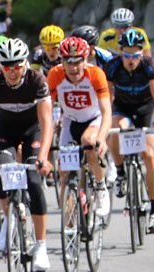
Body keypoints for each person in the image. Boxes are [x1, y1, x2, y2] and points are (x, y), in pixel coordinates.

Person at [0, 38, 55, 272]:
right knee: (0, 168)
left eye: (16, 66)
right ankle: (9, 216)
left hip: (33, 131)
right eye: (6, 66)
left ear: (25, 64)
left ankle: (40, 245)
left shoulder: (37, 80)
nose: (11, 71)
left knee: (35, 182)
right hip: (5, 132)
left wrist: (44, 156)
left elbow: (47, 122)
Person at [104, 30, 154, 234]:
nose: (131, 60)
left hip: (145, 110)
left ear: (142, 53)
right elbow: (106, 95)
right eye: (127, 55)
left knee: (149, 155)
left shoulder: (149, 65)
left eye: (135, 55)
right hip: (123, 108)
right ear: (120, 52)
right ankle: (121, 172)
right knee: (114, 130)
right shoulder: (112, 67)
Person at [48, 36, 112, 218]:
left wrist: (101, 137)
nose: (74, 67)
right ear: (62, 61)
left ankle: (100, 187)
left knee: (89, 141)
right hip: (70, 121)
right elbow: (46, 111)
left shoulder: (96, 74)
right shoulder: (54, 75)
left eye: (78, 61)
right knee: (64, 174)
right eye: (69, 62)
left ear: (86, 59)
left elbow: (107, 112)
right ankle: (69, 227)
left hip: (94, 118)